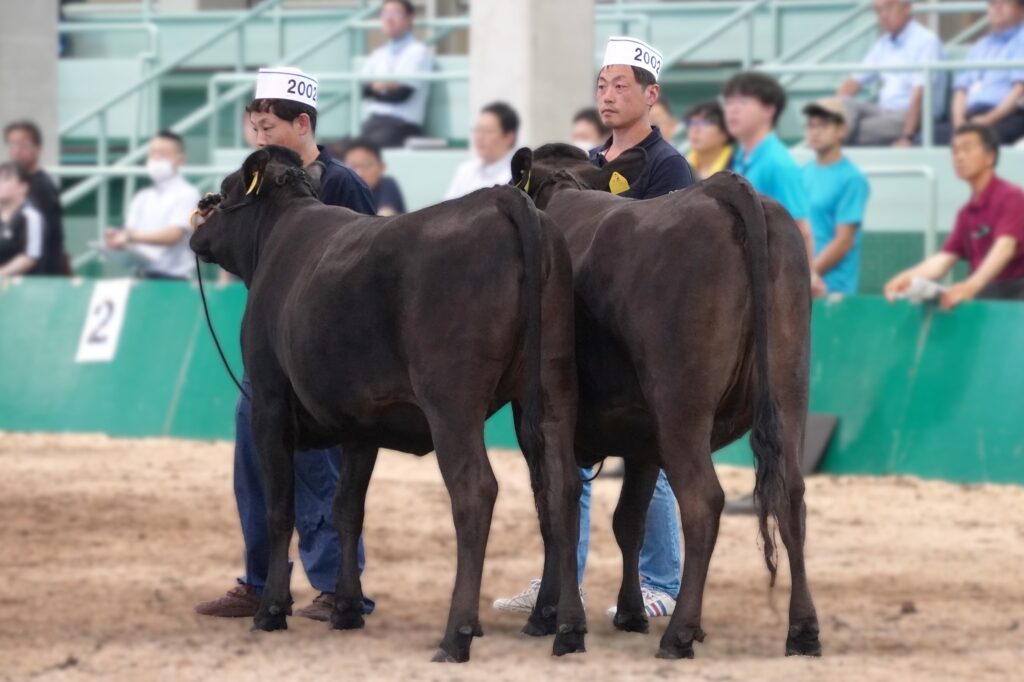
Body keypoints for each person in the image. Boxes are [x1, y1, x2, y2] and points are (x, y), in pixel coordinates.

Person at [494, 36, 695, 621]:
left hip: (638, 338)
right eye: (602, 86)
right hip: (580, 329)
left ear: (651, 95)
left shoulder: (668, 166)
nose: (608, 96)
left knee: (647, 458)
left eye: (621, 86)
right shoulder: (587, 162)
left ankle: (661, 579)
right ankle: (564, 578)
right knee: (566, 455)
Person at [195, 67, 377, 622]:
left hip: (321, 360)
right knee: (254, 466)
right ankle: (259, 579)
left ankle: (335, 584)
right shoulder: (253, 184)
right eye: (255, 126)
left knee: (318, 471)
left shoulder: (340, 183)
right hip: (269, 351)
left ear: (302, 123)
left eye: (269, 126)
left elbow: (368, 263)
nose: (260, 139)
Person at [884, 123, 1024, 307]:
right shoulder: (966, 213)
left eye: (967, 149)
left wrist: (971, 285)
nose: (959, 157)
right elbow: (944, 259)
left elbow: (1005, 247)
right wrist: (907, 277)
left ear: (990, 157)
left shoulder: (1011, 197)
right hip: (985, 298)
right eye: (955, 151)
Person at [723, 71, 823, 297]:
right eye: (729, 102)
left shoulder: (778, 163)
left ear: (769, 110)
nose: (732, 109)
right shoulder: (739, 158)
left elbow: (801, 229)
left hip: (772, 284)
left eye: (743, 102)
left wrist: (806, 280)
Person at [837, 0, 944, 147]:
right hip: (883, 110)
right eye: (878, 11)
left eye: (888, 8)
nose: (883, 15)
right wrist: (832, 109)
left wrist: (908, 136)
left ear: (907, 8)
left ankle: (824, 151)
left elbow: (920, 94)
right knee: (841, 104)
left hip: (910, 115)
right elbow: (854, 81)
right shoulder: (883, 43)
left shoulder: (926, 41)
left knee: (851, 131)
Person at [103, 131, 199, 280]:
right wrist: (118, 237)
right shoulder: (142, 196)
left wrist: (129, 237)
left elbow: (174, 235)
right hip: (142, 276)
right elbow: (130, 231)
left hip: (174, 280)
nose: (156, 158)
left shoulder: (188, 194)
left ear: (180, 159)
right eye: (152, 153)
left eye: (163, 154)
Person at [802, 99, 871, 295]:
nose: (814, 131)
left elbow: (844, 241)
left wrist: (807, 275)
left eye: (823, 125)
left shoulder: (852, 179)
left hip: (833, 292)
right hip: (800, 288)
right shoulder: (802, 173)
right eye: (811, 125)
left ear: (842, 130)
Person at [935, 0, 1024, 145]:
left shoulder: (1021, 40)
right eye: (993, 3)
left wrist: (988, 119)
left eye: (1004, 3)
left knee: (979, 142)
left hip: (1006, 116)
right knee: (928, 138)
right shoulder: (979, 45)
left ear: (1021, 11)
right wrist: (959, 122)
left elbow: (1019, 90)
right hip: (971, 117)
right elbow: (961, 90)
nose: (997, 7)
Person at [359, 0, 435, 148]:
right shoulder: (378, 54)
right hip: (372, 122)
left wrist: (377, 88)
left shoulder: (418, 52)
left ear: (409, 18)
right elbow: (364, 91)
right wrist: (389, 85)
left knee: (359, 151)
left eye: (395, 13)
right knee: (333, 149)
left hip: (402, 126)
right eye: (385, 13)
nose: (389, 18)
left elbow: (402, 95)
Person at [4, 120, 66, 274]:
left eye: (23, 145)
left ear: (38, 148)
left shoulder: (42, 186)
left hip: (40, 276)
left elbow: (37, 243)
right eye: (12, 145)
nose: (16, 151)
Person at [444, 101, 519, 199]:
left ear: (509, 137)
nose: (479, 137)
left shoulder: (516, 177)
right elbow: (447, 210)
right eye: (477, 130)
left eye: (488, 131)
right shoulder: (465, 171)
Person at [0, 162, 47, 277]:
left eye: (5, 179)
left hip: (21, 287)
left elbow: (30, 257)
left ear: (23, 187)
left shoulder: (31, 217)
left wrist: (1, 273)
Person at [341, 138, 407, 216]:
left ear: (381, 167)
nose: (359, 173)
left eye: (366, 165)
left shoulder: (387, 184)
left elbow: (385, 215)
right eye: (352, 167)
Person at [684, 101, 735, 180]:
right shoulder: (681, 166)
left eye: (704, 123)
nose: (695, 129)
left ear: (724, 132)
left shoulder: (738, 168)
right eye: (692, 123)